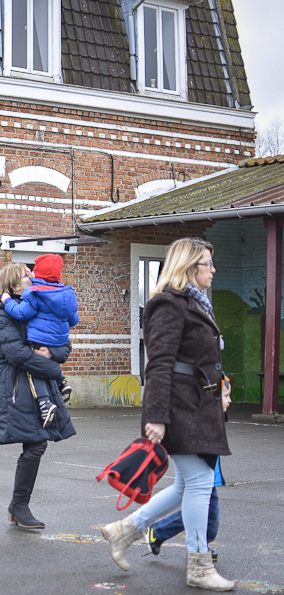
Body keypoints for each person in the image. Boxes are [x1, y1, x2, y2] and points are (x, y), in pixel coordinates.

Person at [101, 237, 235, 591]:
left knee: (187, 485)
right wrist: (156, 416)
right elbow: (159, 364)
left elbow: (199, 360)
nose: (213, 270)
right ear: (189, 266)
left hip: (198, 407)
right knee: (200, 483)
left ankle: (125, 531)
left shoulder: (196, 303)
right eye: (207, 263)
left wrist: (220, 387)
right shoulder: (168, 304)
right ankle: (199, 566)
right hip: (180, 409)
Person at [0, 263, 75, 529]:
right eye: (27, 275)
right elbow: (16, 354)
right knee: (36, 443)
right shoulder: (1, 314)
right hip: (18, 385)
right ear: (14, 284)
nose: (33, 277)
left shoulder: (40, 303)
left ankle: (19, 507)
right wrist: (54, 369)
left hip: (40, 384)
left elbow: (64, 342)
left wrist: (52, 353)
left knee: (38, 443)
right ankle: (19, 506)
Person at [0, 254, 78, 427]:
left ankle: (44, 402)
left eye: (33, 272)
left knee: (35, 370)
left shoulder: (34, 294)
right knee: (46, 358)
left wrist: (8, 302)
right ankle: (61, 381)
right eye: (27, 274)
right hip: (60, 337)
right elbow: (74, 320)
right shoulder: (67, 294)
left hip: (38, 339)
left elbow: (22, 313)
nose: (31, 275)